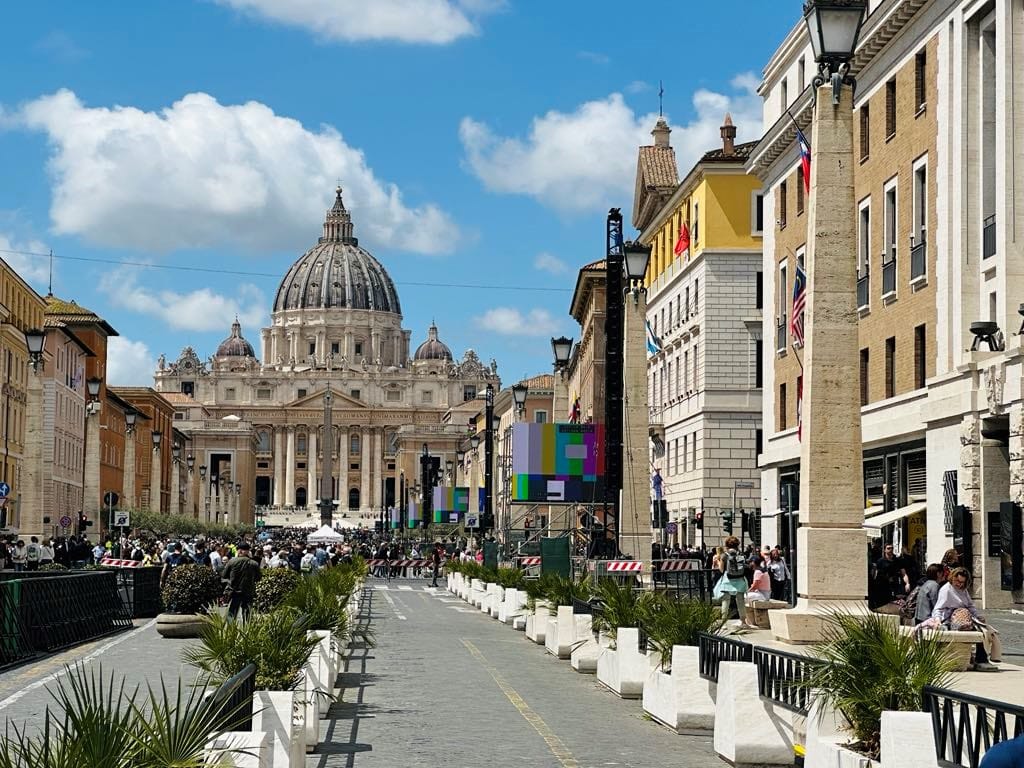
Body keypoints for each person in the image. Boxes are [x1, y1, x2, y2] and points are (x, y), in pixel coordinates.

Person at [932, 567, 1000, 672]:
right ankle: (978, 659)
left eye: (962, 582)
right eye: (957, 581)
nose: (959, 584)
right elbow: (939, 608)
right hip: (949, 619)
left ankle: (981, 659)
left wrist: (977, 616)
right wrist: (937, 620)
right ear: (953, 578)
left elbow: (970, 606)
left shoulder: (963, 590)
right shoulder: (946, 590)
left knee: (983, 631)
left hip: (964, 617)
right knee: (973, 630)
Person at [713, 536, 754, 630]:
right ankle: (743, 621)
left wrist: (719, 562)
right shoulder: (741, 554)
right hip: (740, 580)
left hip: (728, 580)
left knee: (725, 601)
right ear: (737, 545)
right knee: (740, 601)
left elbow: (721, 569)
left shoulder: (724, 555)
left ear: (727, 545)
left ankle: (723, 623)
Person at [221, 542, 262, 621]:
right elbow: (258, 578)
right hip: (248, 592)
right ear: (247, 551)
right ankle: (247, 631)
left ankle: (230, 631)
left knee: (232, 613)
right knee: (247, 614)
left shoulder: (232, 562)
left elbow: (224, 575)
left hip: (235, 591)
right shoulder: (254, 563)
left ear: (238, 551)